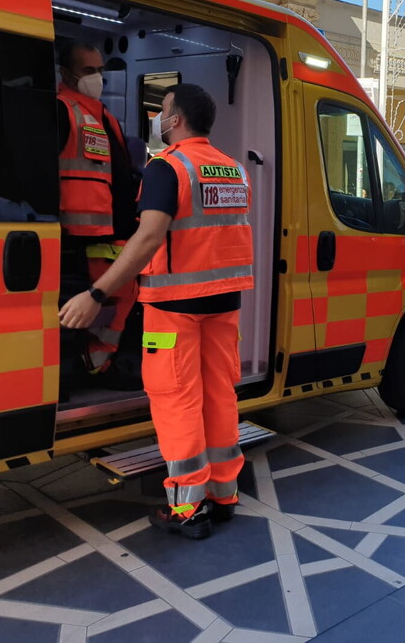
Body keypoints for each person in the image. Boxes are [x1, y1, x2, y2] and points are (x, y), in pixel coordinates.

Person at [59, 84, 252, 540]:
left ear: (176, 120)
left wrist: (98, 293)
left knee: (177, 398)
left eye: (162, 111)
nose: (158, 118)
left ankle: (188, 508)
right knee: (219, 395)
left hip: (175, 306)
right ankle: (223, 495)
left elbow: (147, 239)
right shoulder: (232, 169)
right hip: (224, 303)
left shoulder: (168, 167)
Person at [57, 42, 139, 379]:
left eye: (101, 71)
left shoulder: (104, 116)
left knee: (123, 296)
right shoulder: (62, 111)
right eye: (89, 71)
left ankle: (100, 361)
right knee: (81, 312)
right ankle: (87, 365)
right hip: (72, 240)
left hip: (111, 234)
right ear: (68, 73)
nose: (98, 78)